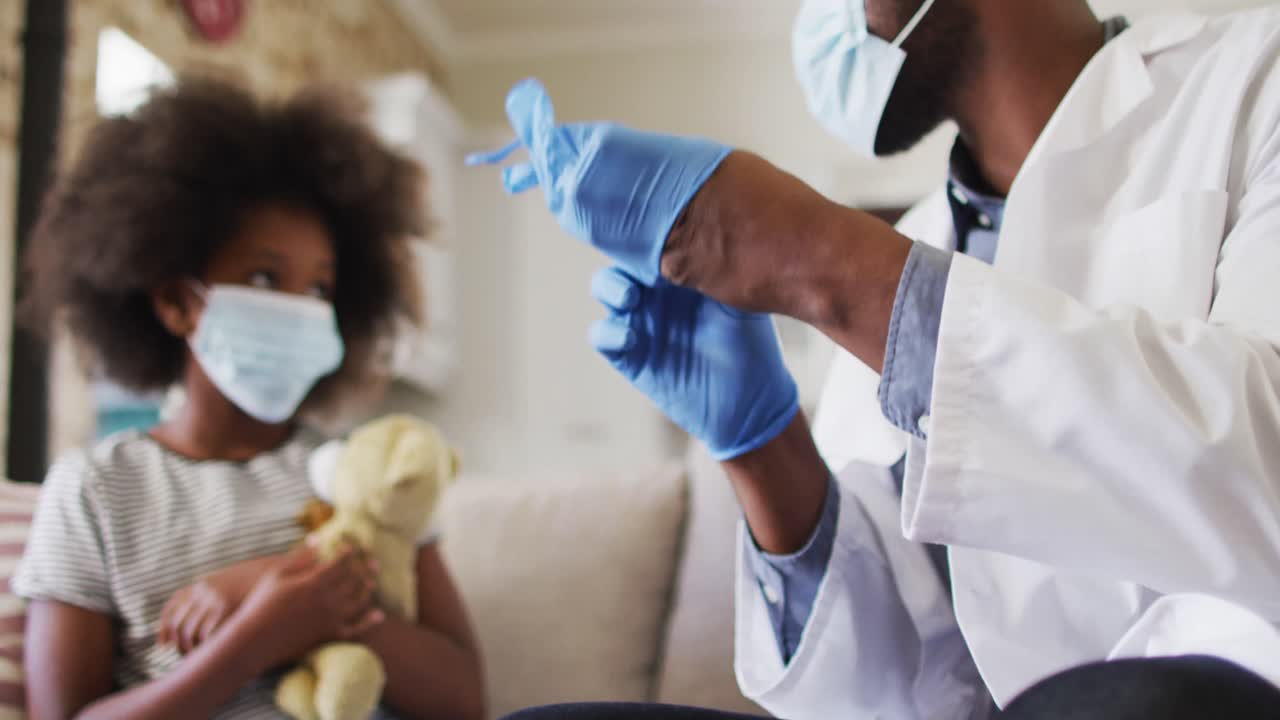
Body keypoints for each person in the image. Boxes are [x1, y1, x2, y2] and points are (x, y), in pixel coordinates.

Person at [472, 0, 1280, 718]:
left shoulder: (1254, 76)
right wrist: (763, 443)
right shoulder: (916, 246)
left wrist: (821, 261)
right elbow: (898, 692)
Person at [14, 77, 485, 720]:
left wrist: (312, 603)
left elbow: (466, 699)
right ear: (177, 301)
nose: (298, 310)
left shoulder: (360, 472)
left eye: (319, 289)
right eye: (265, 277)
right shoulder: (95, 489)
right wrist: (255, 638)